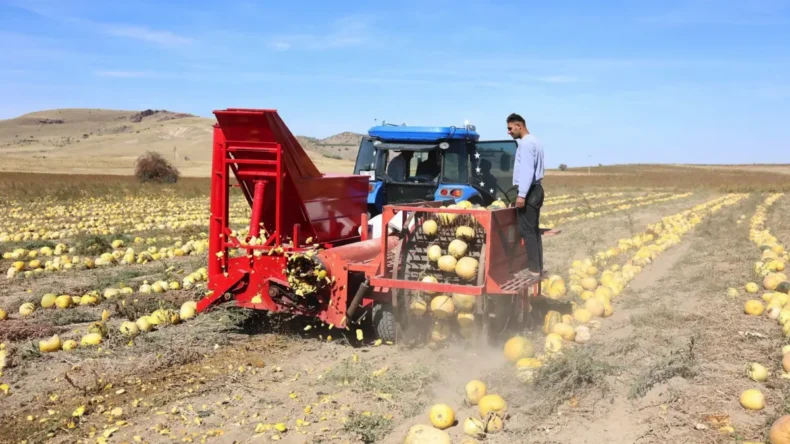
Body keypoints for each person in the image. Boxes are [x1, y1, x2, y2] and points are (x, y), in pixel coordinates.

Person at [507, 112, 545, 277]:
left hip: (529, 191)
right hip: (536, 189)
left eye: (510, 128)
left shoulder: (526, 143)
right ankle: (537, 267)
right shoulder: (535, 141)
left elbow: (527, 170)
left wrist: (521, 195)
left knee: (527, 231)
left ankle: (533, 270)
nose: (509, 132)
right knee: (533, 231)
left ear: (519, 126)